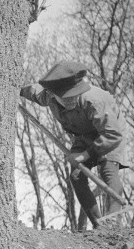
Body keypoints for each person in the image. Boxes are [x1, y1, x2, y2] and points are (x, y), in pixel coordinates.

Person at [20, 61, 128, 228]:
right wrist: (15, 89)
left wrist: (84, 155)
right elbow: (32, 90)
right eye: (66, 97)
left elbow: (112, 134)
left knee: (108, 170)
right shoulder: (47, 95)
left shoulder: (94, 100)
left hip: (109, 132)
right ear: (52, 94)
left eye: (74, 95)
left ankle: (114, 223)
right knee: (76, 175)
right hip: (84, 136)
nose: (71, 100)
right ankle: (100, 225)